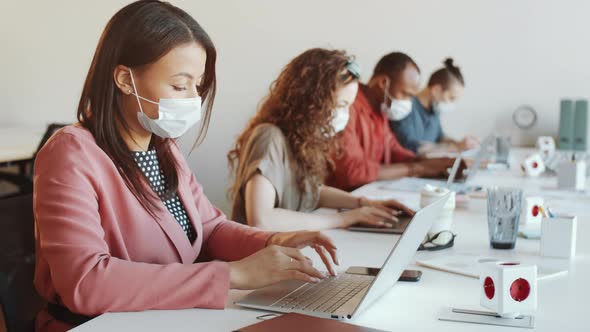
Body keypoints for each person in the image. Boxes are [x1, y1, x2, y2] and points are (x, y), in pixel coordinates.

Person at [33, 2, 337, 331]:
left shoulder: (163, 147)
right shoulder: (70, 154)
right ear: (124, 79)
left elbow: (210, 229)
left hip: (170, 319)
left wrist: (274, 242)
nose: (194, 98)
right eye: (180, 86)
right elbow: (85, 281)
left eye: (198, 85)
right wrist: (234, 274)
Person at [227, 49, 414, 231]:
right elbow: (261, 220)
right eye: (341, 105)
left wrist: (362, 203)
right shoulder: (269, 137)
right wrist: (344, 218)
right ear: (312, 101)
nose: (345, 115)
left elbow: (312, 191)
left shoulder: (302, 140)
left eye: (348, 106)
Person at [326, 52, 459, 192]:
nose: (408, 103)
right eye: (405, 94)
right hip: (340, 199)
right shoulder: (347, 106)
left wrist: (437, 164)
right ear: (383, 83)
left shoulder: (380, 109)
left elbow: (394, 150)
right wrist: (416, 169)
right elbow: (353, 172)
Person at [389, 58, 479, 155]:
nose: (451, 103)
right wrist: (455, 147)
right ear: (436, 90)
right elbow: (412, 147)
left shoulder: (434, 109)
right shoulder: (405, 107)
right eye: (451, 98)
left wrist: (460, 143)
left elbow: (439, 137)